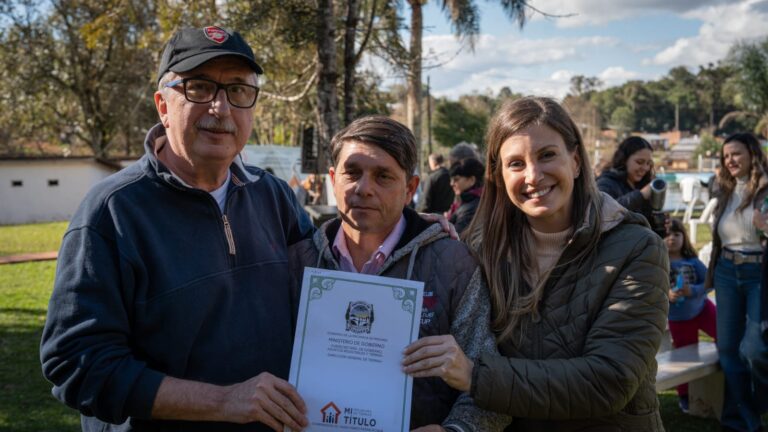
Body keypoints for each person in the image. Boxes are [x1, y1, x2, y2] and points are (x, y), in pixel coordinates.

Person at [40, 27, 316, 431]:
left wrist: (412, 227)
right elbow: (77, 363)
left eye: (238, 90)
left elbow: (330, 275)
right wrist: (225, 401)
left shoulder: (272, 195)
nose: (221, 108)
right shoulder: (111, 212)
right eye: (200, 88)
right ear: (162, 106)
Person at [403, 96, 669, 431]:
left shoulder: (637, 248)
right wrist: (420, 238)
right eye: (516, 164)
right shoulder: (480, 249)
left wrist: (476, 377)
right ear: (498, 175)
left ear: (574, 161)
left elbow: (609, 381)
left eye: (547, 156)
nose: (533, 175)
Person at [288, 115, 510, 431]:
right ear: (333, 178)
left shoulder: (453, 264)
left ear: (410, 188)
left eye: (383, 176)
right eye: (352, 173)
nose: (364, 189)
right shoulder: (298, 263)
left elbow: (492, 386)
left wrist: (455, 430)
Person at [704, 132, 768, 432]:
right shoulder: (723, 188)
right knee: (728, 349)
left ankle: (757, 405)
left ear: (752, 155)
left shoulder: (766, 190)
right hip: (727, 271)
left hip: (759, 272)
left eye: (736, 154)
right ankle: (741, 421)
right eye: (726, 155)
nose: (730, 160)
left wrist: (765, 228)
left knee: (754, 350)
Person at [664, 218, 717, 413]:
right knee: (683, 360)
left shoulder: (693, 262)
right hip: (679, 320)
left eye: (677, 234)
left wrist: (692, 291)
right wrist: (666, 294)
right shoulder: (658, 264)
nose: (672, 239)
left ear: (684, 237)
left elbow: (710, 282)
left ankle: (730, 377)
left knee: (727, 336)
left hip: (703, 309)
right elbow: (651, 289)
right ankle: (684, 396)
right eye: (667, 235)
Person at [596, 136, 658, 230]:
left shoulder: (641, 184)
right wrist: (640, 195)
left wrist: (660, 226)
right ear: (624, 160)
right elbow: (605, 213)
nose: (645, 168)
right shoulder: (605, 183)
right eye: (640, 162)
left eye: (648, 163)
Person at [446, 157, 484, 234]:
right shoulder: (467, 200)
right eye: (451, 179)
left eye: (456, 179)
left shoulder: (473, 207)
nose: (451, 183)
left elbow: (456, 235)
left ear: (471, 180)